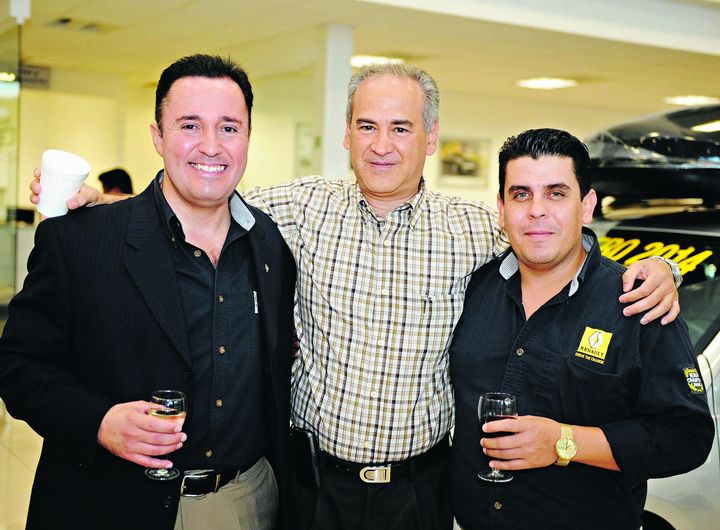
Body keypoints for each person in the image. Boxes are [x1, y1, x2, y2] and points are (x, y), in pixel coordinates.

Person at [29, 64, 680, 530]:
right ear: (346, 134)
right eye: (366, 125)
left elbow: (550, 237)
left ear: (430, 137)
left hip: (421, 490)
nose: (381, 144)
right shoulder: (299, 208)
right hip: (313, 486)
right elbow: (201, 196)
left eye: (401, 127)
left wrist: (651, 268)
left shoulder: (475, 228)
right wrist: (101, 205)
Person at [0, 54, 296, 530]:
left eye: (228, 128)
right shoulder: (82, 239)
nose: (210, 146)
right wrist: (99, 421)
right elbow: (18, 367)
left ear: (247, 137)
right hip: (108, 503)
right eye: (189, 125)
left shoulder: (271, 243)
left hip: (244, 503)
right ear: (157, 137)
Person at [448, 128, 713, 530]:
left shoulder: (639, 303)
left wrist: (563, 443)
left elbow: (686, 437)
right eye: (521, 194)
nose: (537, 210)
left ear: (586, 205)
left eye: (556, 193)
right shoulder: (471, 289)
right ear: (501, 208)